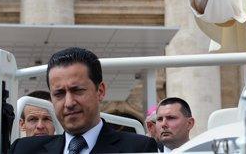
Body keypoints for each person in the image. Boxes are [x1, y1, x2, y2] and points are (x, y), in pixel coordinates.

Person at [10, 47, 158, 153]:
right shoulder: (24, 149)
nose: (69, 103)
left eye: (78, 90)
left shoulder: (138, 148)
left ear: (100, 91)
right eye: (59, 93)